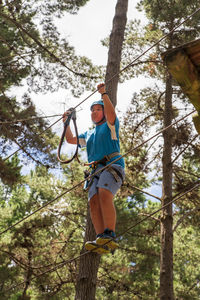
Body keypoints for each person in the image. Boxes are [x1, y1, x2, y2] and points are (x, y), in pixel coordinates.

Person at [63, 83, 125, 254]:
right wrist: (66, 122)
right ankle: (100, 237)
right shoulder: (89, 134)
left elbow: (112, 114)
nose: (94, 112)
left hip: (112, 166)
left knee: (104, 193)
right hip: (96, 171)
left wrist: (104, 93)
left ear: (104, 112)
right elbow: (70, 140)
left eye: (98, 109)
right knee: (93, 202)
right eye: (92, 110)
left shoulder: (111, 125)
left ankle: (110, 233)